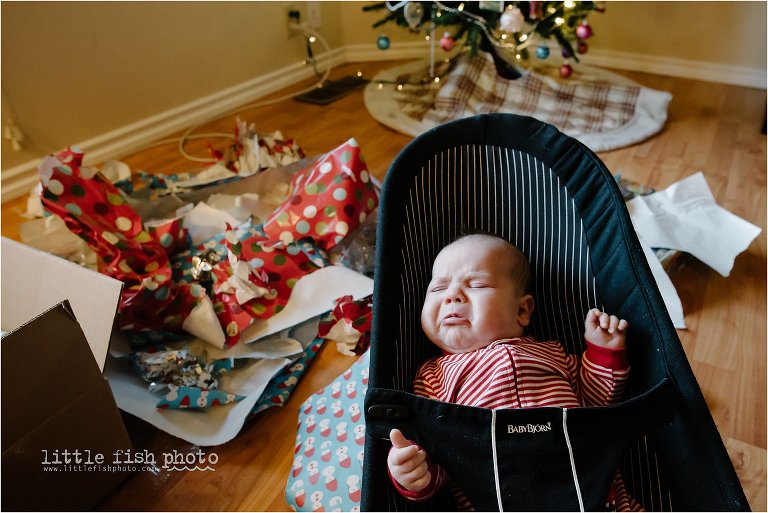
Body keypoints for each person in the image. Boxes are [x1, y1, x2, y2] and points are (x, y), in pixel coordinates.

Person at [386, 233, 641, 511]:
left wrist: (602, 351)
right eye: (437, 289)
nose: (451, 296)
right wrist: (413, 471)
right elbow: (443, 457)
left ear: (521, 310)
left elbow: (596, 404)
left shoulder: (552, 353)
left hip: (590, 492)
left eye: (477, 284)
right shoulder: (432, 379)